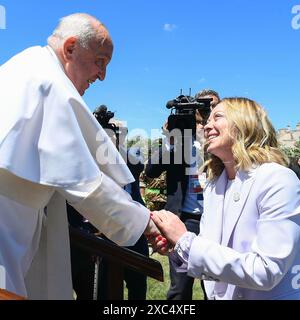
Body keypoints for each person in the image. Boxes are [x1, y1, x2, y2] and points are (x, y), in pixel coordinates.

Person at [0, 13, 159, 299]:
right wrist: (145, 223)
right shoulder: (47, 82)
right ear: (70, 48)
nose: (102, 75)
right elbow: (84, 182)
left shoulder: (27, 68)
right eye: (100, 61)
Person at [152, 97, 300, 300]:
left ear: (244, 123)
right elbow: (214, 253)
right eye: (206, 120)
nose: (206, 126)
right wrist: (177, 246)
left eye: (217, 117)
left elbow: (267, 271)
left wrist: (186, 242)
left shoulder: (278, 179)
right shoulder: (214, 186)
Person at [145, 90, 220, 300]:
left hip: (216, 220)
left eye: (213, 108)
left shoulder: (222, 143)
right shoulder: (181, 143)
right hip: (185, 220)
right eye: (204, 108)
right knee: (180, 288)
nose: (209, 113)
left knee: (214, 287)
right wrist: (172, 140)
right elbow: (150, 171)